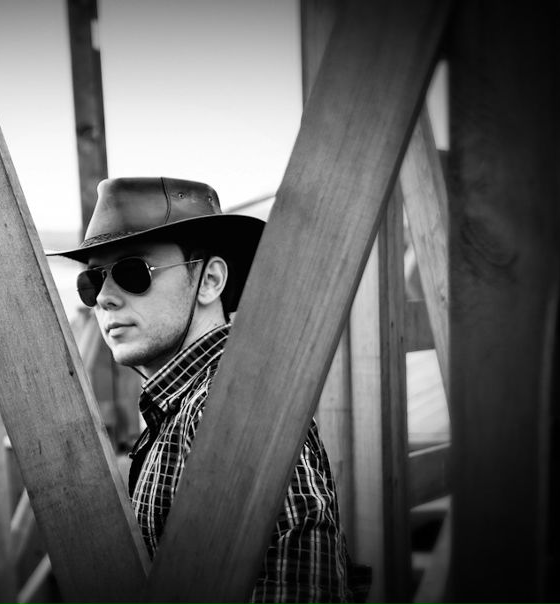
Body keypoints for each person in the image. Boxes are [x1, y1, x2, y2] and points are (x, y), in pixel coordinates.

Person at [50, 177, 356, 603]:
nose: (104, 298)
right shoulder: (185, 406)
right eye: (94, 280)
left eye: (132, 272)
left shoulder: (232, 409)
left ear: (210, 280)